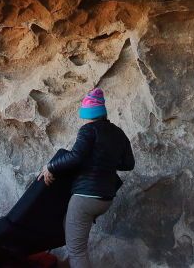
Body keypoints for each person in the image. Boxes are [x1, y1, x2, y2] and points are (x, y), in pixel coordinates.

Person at [40, 88, 134, 268]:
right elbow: (129, 164)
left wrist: (50, 167)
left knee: (77, 252)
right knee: (71, 234)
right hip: (105, 198)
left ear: (87, 113)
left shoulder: (88, 130)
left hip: (86, 197)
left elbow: (76, 156)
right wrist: (106, 161)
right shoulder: (118, 133)